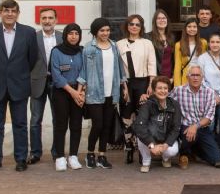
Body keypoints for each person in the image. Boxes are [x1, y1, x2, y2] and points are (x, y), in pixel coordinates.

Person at [0, 0, 38, 173]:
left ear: (18, 13)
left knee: (20, 124)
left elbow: (32, 59)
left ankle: (20, 159)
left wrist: (19, 74)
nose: (9, 14)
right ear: (0, 13)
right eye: (6, 10)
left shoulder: (28, 32)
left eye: (13, 11)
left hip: (19, 85)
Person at [169, 65, 220, 170]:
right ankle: (184, 153)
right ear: (187, 77)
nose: (195, 78)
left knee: (217, 159)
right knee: (188, 136)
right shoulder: (178, 91)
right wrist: (149, 97)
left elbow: (209, 117)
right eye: (192, 75)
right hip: (186, 128)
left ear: (202, 77)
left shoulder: (209, 92)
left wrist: (196, 126)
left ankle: (195, 151)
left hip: (202, 128)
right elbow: (165, 100)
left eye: (198, 75)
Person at [78, 18, 128, 170]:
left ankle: (102, 155)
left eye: (107, 30)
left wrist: (124, 87)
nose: (105, 33)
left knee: (107, 126)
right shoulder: (88, 49)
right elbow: (83, 72)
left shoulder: (113, 46)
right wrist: (79, 92)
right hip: (94, 93)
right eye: (102, 31)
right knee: (97, 125)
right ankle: (90, 154)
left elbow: (120, 69)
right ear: (95, 32)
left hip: (111, 93)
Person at [117, 14, 157, 164]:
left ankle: (142, 149)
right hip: (126, 84)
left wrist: (150, 85)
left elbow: (152, 63)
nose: (134, 27)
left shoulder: (147, 43)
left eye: (137, 24)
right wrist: (123, 86)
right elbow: (118, 68)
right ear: (127, 26)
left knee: (142, 116)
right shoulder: (119, 44)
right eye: (131, 24)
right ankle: (129, 147)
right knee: (127, 116)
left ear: (141, 27)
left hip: (142, 83)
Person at [28, 7, 62, 164]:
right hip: (37, 83)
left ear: (56, 20)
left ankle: (57, 152)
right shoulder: (31, 38)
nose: (47, 21)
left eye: (50, 18)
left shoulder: (63, 37)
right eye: (44, 18)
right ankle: (35, 153)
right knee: (35, 120)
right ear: (40, 20)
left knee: (58, 120)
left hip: (58, 84)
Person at [50, 23, 85, 171]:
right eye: (71, 33)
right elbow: (56, 75)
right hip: (62, 91)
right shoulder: (56, 51)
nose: (74, 36)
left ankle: (73, 156)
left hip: (79, 90)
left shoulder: (82, 51)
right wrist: (73, 92)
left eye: (76, 34)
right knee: (61, 124)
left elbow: (85, 71)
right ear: (65, 35)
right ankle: (59, 157)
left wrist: (80, 91)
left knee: (76, 125)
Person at [134, 76, 182, 173]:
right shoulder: (147, 104)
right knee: (140, 139)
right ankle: (146, 161)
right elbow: (140, 127)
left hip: (165, 139)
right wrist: (152, 145)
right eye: (159, 88)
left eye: (165, 88)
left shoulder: (175, 104)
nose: (163, 91)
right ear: (154, 90)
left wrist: (166, 144)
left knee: (173, 150)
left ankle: (165, 158)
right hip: (150, 138)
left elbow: (176, 128)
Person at [173, 17, 208, 87]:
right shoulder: (178, 45)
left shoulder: (203, 43)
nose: (192, 29)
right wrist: (177, 86)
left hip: (200, 77)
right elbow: (177, 66)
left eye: (194, 27)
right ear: (185, 29)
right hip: (186, 77)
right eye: (189, 27)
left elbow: (206, 63)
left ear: (197, 29)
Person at [146, 9, 174, 81]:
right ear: (154, 21)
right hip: (155, 76)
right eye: (159, 18)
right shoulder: (148, 37)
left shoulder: (172, 37)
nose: (162, 20)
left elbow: (173, 58)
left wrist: (173, 76)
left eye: (164, 18)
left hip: (169, 76)